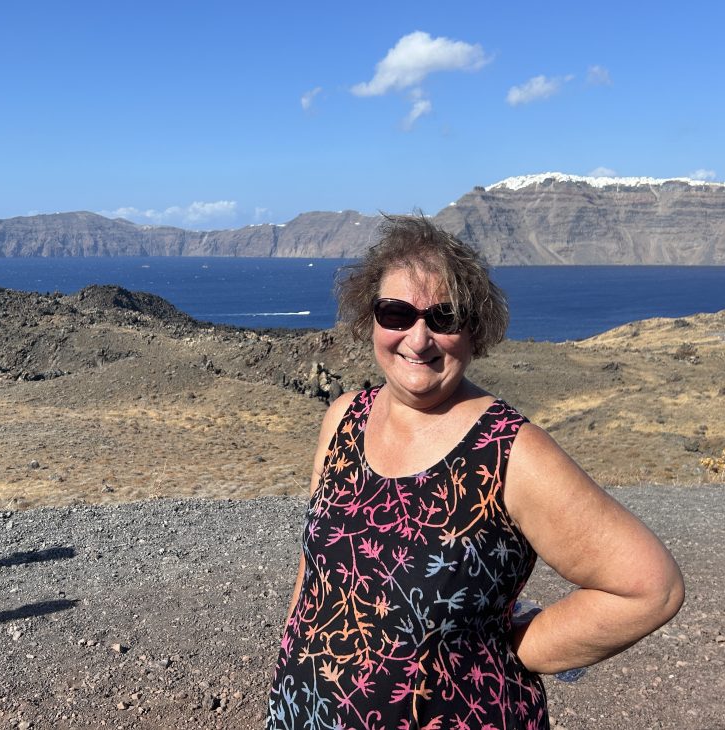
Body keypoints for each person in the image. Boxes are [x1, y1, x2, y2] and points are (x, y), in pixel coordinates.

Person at [266, 215, 684, 730]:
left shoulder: (511, 452)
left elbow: (650, 587)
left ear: (475, 330)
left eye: (445, 318)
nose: (418, 340)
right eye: (396, 312)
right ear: (369, 318)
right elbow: (317, 572)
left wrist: (518, 652)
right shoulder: (344, 419)